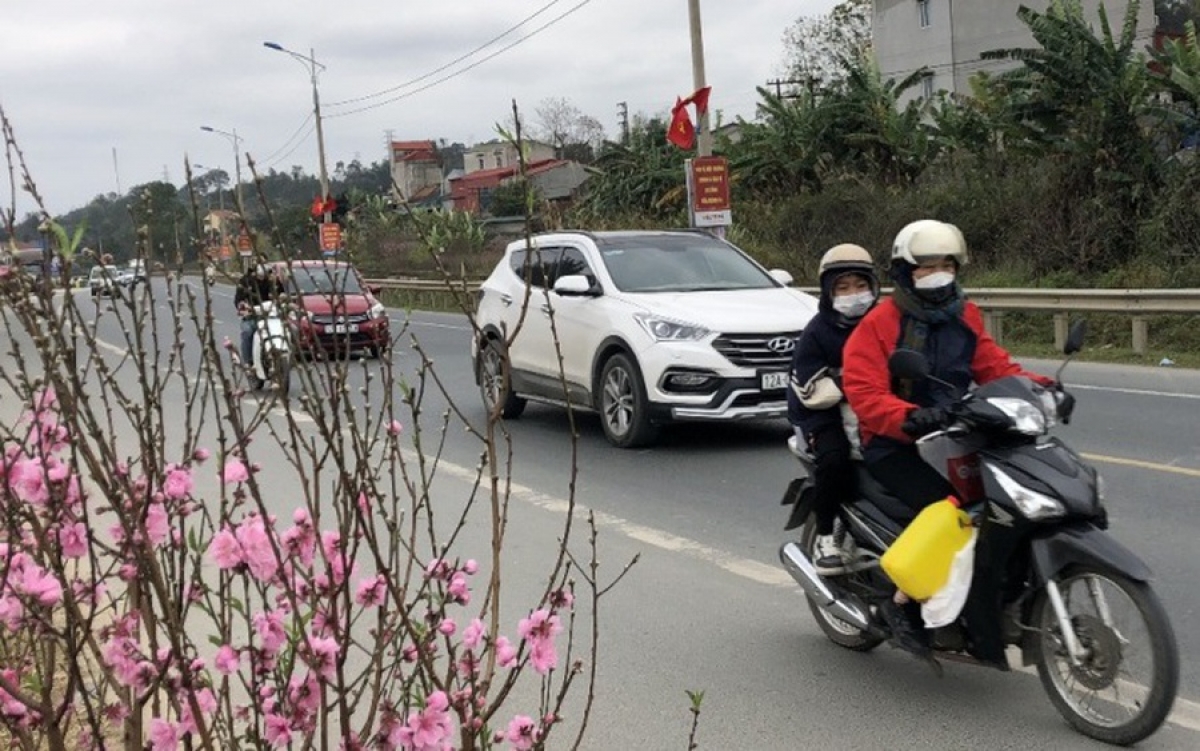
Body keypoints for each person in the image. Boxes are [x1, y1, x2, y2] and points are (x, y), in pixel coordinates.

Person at [842, 219, 1053, 661]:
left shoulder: (964, 315)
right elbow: (865, 394)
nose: (938, 275)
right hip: (897, 441)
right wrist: (912, 416)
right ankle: (901, 605)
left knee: (1007, 501)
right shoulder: (880, 324)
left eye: (946, 266)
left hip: (957, 432)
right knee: (951, 512)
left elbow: (995, 368)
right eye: (926, 267)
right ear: (904, 273)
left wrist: (1042, 388)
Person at [787, 244, 880, 575]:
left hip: (875, 407)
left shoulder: (884, 323)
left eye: (860, 286)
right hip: (822, 413)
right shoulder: (817, 332)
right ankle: (827, 535)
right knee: (834, 458)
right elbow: (810, 385)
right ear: (828, 291)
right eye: (843, 288)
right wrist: (854, 382)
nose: (853, 295)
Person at [234, 258, 282, 366]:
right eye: (259, 263)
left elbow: (282, 295)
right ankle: (248, 362)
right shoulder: (245, 281)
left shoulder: (273, 281)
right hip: (252, 316)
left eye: (264, 263)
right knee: (247, 331)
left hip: (271, 316)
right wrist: (242, 307)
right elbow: (238, 299)